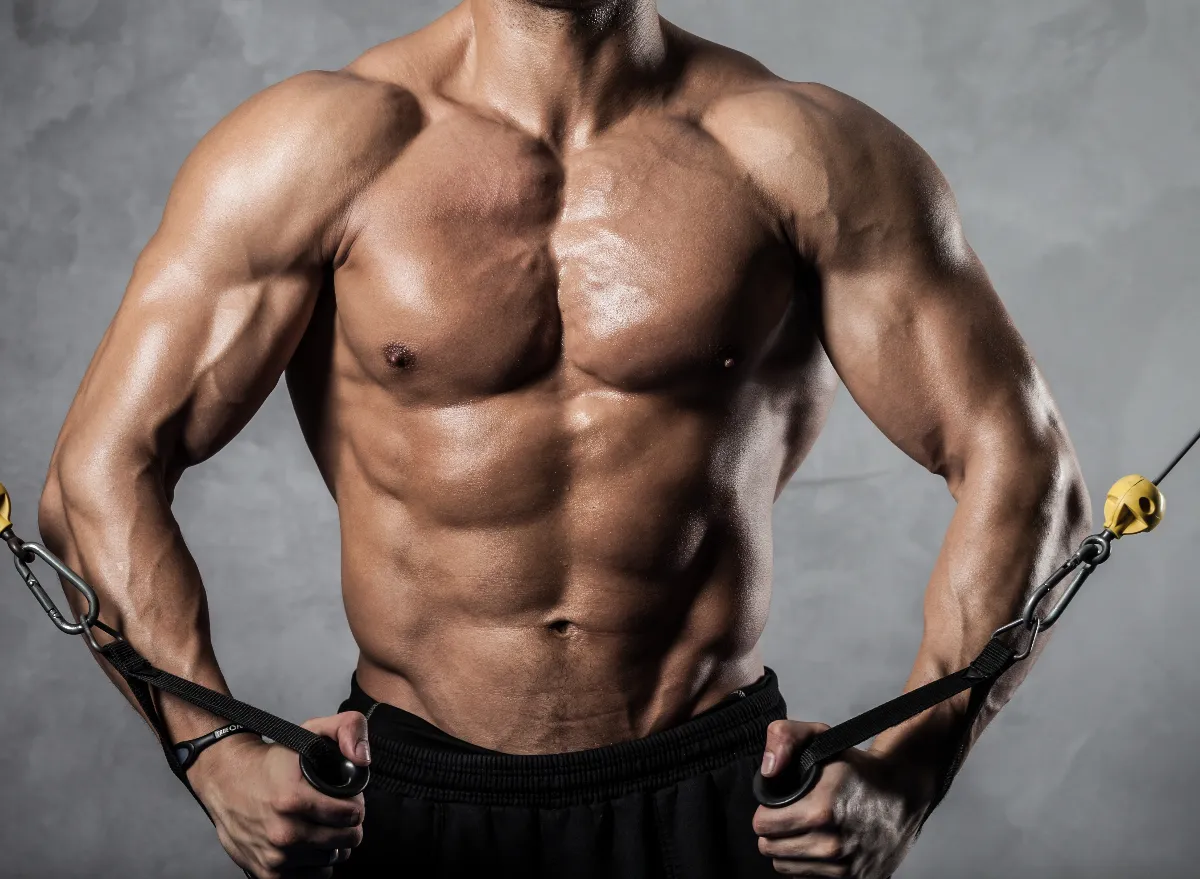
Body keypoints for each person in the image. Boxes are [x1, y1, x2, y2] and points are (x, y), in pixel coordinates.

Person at [36, 1, 1090, 877]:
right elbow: (99, 472)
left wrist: (912, 768)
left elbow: (1025, 468)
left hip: (721, 796)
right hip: (398, 798)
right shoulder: (322, 146)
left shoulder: (797, 151)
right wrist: (213, 753)